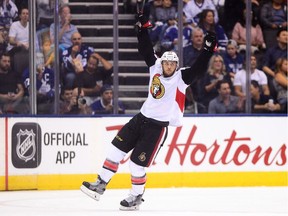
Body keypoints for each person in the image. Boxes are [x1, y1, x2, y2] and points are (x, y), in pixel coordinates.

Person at [80, 12, 217, 210]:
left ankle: (136, 197)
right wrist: (143, 28)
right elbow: (145, 49)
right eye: (166, 62)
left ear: (176, 65)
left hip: (157, 128)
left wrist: (208, 50)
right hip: (140, 119)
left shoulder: (181, 78)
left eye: (172, 63)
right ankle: (100, 183)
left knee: (136, 165)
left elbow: (199, 67)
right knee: (115, 151)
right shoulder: (155, 68)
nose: (168, 66)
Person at [7, 7, 29, 76]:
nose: (25, 15)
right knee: (21, 49)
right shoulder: (14, 25)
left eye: (27, 14)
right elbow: (11, 41)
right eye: (23, 13)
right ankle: (19, 76)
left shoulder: (31, 25)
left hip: (27, 49)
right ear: (20, 16)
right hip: (14, 48)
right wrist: (18, 43)